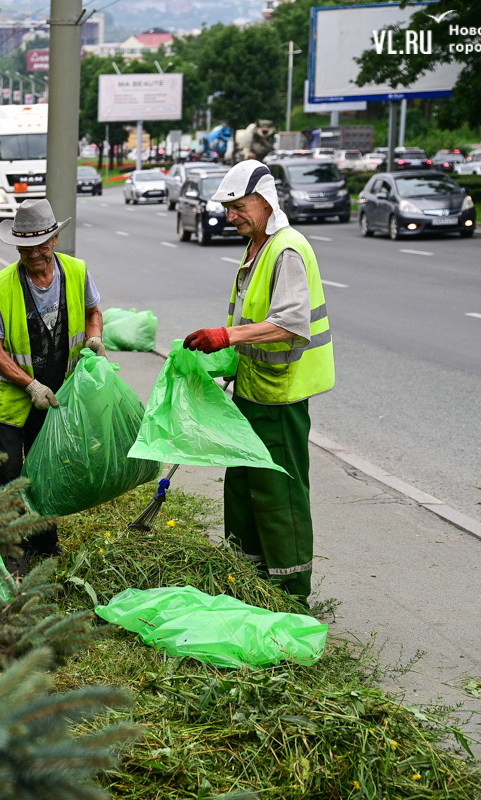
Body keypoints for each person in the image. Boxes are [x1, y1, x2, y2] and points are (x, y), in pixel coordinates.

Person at [182, 160, 335, 606]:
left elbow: (289, 324)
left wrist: (225, 337)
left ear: (265, 200)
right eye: (227, 208)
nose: (231, 216)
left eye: (238, 206)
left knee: (279, 496)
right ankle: (247, 581)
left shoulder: (286, 249)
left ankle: (290, 596)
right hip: (252, 390)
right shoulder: (256, 246)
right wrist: (222, 360)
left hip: (280, 396)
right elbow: (250, 320)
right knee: (243, 490)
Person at [0, 199, 104, 569]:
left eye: (42, 243)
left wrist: (95, 338)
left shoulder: (77, 272)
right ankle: (6, 549)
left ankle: (44, 542)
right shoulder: (0, 287)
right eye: (27, 246)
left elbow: (93, 311)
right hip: (9, 397)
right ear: (16, 246)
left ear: (55, 238)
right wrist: (30, 385)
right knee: (11, 472)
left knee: (45, 465)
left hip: (55, 391)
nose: (36, 253)